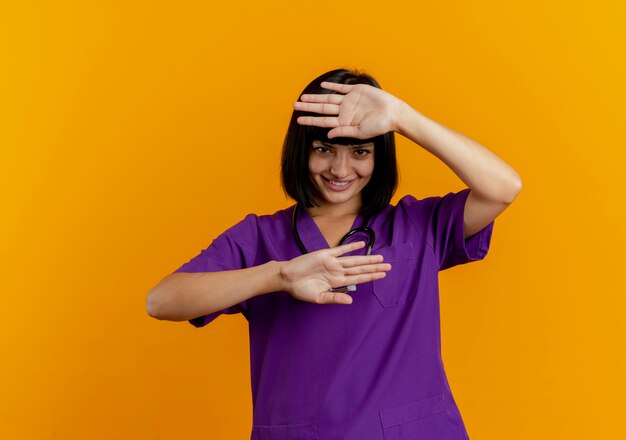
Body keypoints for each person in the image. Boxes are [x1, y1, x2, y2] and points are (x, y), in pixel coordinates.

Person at [146, 68, 522, 440]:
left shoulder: (417, 225)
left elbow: (503, 187)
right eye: (323, 149)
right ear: (301, 152)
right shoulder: (261, 238)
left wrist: (402, 118)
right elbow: (161, 301)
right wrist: (277, 276)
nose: (341, 169)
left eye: (360, 151)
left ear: (379, 157)